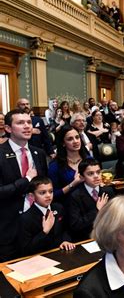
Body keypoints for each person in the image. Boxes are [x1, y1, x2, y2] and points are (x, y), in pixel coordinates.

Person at [0, 109, 48, 261]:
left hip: (36, 225)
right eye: (20, 123)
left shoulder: (38, 153)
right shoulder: (1, 153)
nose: (27, 126)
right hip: (8, 226)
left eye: (29, 122)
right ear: (8, 128)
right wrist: (26, 180)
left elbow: (44, 185)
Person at [19, 176, 75, 256]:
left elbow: (65, 229)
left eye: (51, 191)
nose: (48, 195)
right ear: (32, 196)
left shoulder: (58, 208)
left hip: (61, 252)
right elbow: (26, 250)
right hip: (39, 258)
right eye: (42, 193)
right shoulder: (26, 218)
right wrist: (44, 232)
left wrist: (65, 240)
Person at [68, 158, 115, 242]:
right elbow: (75, 225)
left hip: (109, 235)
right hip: (87, 239)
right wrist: (96, 210)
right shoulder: (75, 196)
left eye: (98, 172)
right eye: (90, 174)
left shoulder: (108, 191)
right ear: (82, 177)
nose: (96, 176)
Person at [48, 126, 88, 201]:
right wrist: (73, 183)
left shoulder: (89, 159)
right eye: (70, 139)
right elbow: (53, 195)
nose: (75, 141)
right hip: (68, 205)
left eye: (77, 137)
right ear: (63, 143)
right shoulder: (55, 166)